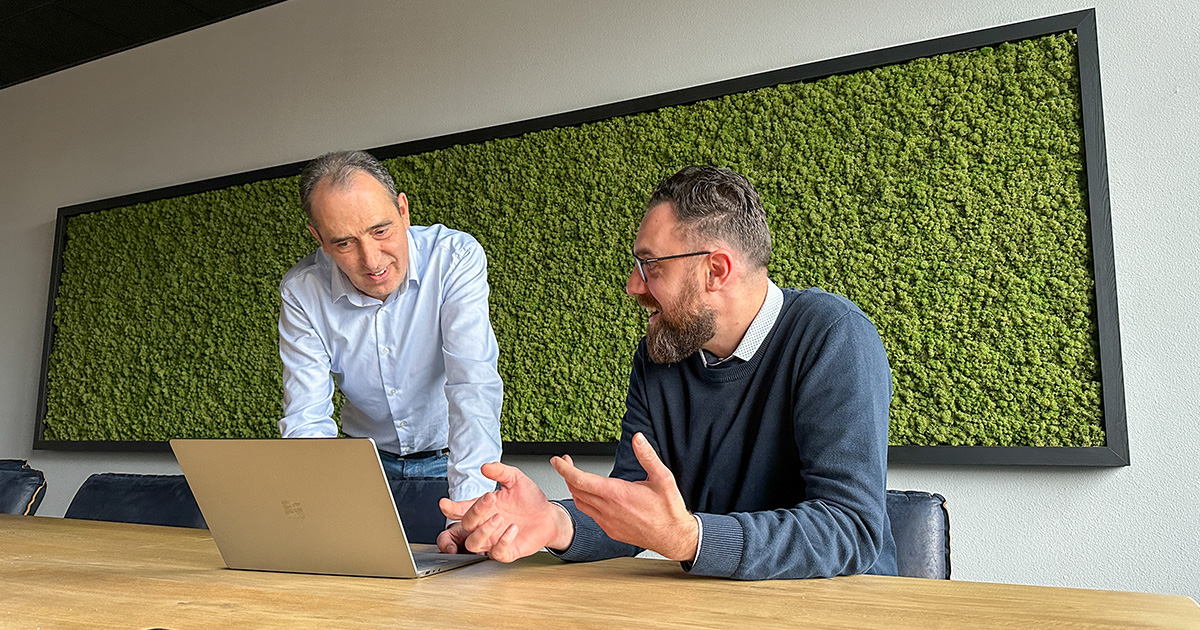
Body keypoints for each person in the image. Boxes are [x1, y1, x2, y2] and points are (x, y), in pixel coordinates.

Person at [439, 165, 897, 579]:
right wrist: (553, 522)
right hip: (716, 604)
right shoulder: (661, 355)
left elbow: (849, 528)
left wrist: (690, 539)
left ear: (715, 269)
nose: (633, 286)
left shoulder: (832, 336)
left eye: (651, 266)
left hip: (840, 605)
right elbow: (635, 509)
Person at [278, 150, 503, 541]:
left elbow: (472, 385)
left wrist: (467, 511)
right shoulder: (302, 292)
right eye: (345, 243)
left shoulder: (454, 257)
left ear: (403, 210)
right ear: (320, 240)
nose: (372, 260)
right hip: (363, 469)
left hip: (452, 463)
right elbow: (306, 420)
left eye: (381, 231)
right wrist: (318, 513)